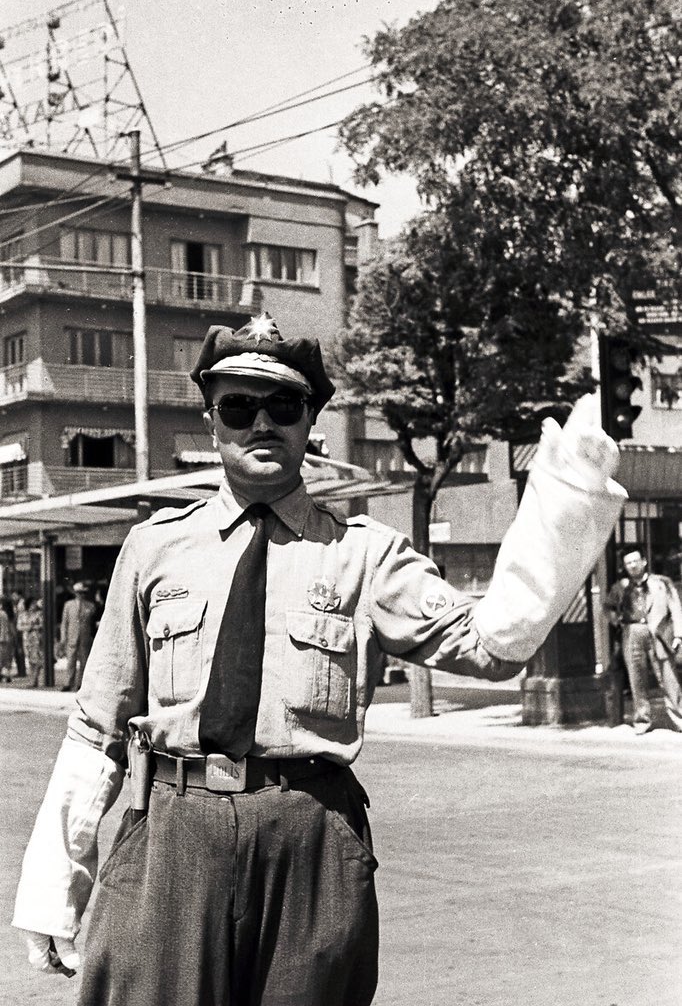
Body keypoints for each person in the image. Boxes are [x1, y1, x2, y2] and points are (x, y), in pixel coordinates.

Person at [13, 315, 626, 1006]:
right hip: (170, 838)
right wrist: (52, 891)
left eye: (285, 406)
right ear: (212, 423)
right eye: (239, 408)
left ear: (312, 422)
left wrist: (568, 498)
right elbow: (97, 729)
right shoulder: (154, 549)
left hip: (309, 838)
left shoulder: (366, 555)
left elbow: (491, 645)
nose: (262, 424)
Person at [604, 547, 682, 734]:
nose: (632, 566)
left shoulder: (661, 583)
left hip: (659, 632)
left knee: (668, 677)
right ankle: (642, 720)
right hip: (632, 632)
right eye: (628, 563)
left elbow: (676, 608)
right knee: (636, 678)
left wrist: (678, 635)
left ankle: (679, 718)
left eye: (635, 561)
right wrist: (618, 622)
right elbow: (608, 608)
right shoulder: (620, 587)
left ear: (644, 562)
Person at [59, 581, 96, 692]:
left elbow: (93, 623)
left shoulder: (90, 606)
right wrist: (63, 638)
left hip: (85, 637)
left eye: (83, 593)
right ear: (75, 593)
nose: (81, 595)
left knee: (84, 661)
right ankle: (68, 683)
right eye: (79, 593)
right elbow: (64, 622)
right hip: (72, 636)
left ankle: (81, 683)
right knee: (71, 660)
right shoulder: (68, 605)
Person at [18, 596, 44, 688]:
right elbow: (19, 626)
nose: (34, 605)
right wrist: (28, 627)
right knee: (30, 660)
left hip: (36, 638)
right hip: (26, 639)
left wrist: (33, 627)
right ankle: (33, 679)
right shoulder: (22, 615)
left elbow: (42, 625)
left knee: (36, 659)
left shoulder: (39, 614)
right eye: (32, 603)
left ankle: (34, 679)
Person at [10, 590, 27, 678]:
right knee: (18, 651)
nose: (13, 598)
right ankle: (21, 670)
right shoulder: (17, 604)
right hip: (18, 629)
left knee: (19, 650)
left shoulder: (21, 604)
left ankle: (22, 671)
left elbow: (19, 617)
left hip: (19, 630)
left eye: (14, 595)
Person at [0, 595, 14, 684]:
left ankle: (3, 675)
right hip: (7, 638)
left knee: (1, 658)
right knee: (7, 658)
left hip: (2, 638)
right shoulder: (7, 614)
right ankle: (7, 674)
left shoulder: (1, 614)